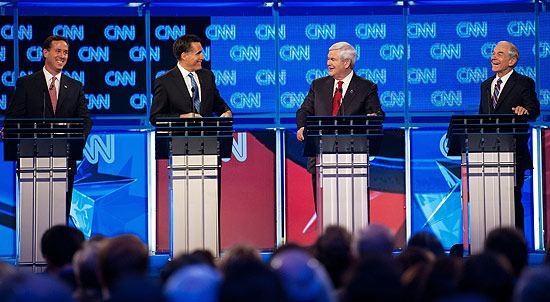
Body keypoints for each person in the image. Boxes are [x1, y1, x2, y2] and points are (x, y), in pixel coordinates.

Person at [5, 35, 92, 222]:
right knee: (34, 218)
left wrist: (75, 144)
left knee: (61, 218)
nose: (62, 56)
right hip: (33, 161)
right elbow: (13, 120)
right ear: (45, 53)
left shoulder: (75, 86)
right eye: (58, 51)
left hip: (64, 161)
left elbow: (85, 120)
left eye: (66, 52)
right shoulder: (27, 83)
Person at [296, 42, 385, 203]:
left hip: (353, 159)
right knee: (323, 208)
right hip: (320, 159)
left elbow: (376, 115)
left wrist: (373, 117)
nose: (328, 63)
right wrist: (302, 126)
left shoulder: (366, 87)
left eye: (333, 59)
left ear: (346, 62)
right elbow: (304, 111)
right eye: (328, 59)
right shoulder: (318, 85)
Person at [479, 41, 540, 231]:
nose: (493, 57)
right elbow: (482, 116)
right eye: (493, 53)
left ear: (512, 61)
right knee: (489, 201)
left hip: (513, 153)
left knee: (512, 199)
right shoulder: (486, 85)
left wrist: (525, 110)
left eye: (499, 54)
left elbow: (534, 109)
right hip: (488, 153)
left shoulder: (523, 82)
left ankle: (517, 246)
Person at [149, 34, 232, 125]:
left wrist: (226, 112)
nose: (202, 57)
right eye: (198, 53)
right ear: (184, 56)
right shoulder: (165, 81)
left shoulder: (207, 76)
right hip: (180, 137)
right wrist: (181, 118)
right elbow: (155, 117)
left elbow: (218, 104)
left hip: (208, 137)